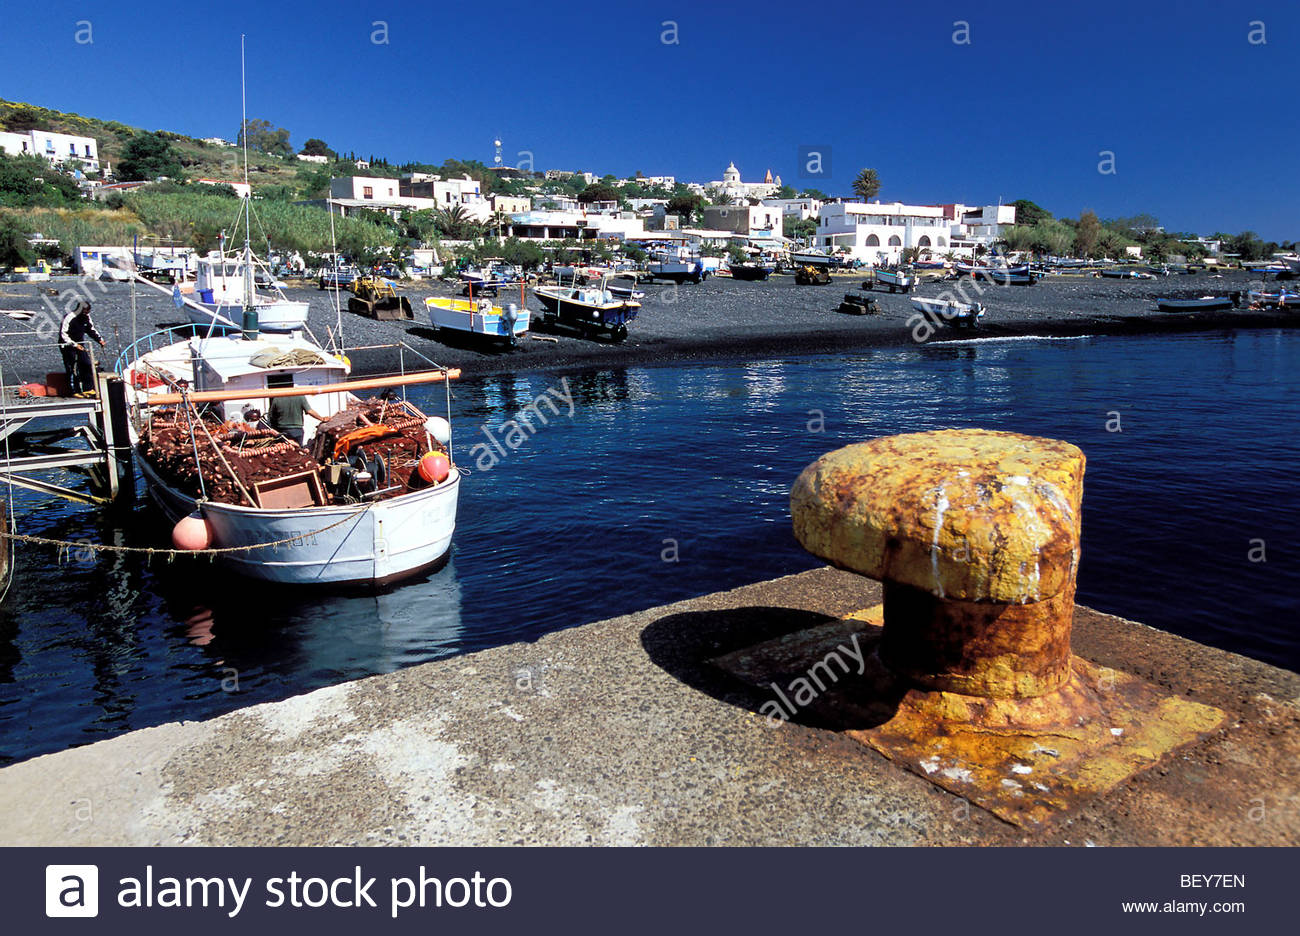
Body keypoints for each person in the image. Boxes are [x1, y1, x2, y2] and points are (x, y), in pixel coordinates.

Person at [58, 298, 106, 396]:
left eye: (87, 312)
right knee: (72, 368)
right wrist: (75, 345)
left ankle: (87, 388)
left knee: (86, 364)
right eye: (84, 312)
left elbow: (91, 329)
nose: (86, 314)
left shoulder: (86, 317)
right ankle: (74, 391)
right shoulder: (69, 317)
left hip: (81, 344)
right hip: (68, 345)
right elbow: (63, 334)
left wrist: (99, 339)